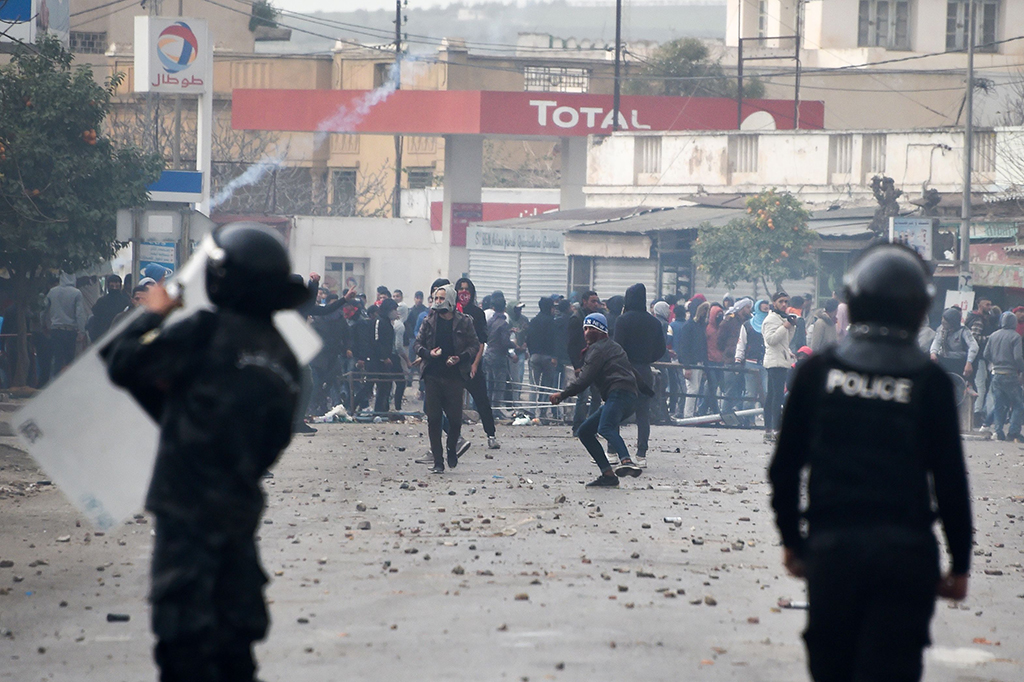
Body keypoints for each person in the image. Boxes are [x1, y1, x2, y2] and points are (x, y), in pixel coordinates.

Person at [101, 222, 310, 682]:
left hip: (185, 508)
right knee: (235, 647)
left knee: (184, 646)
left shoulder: (203, 331)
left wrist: (154, 312)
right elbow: (274, 440)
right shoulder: (285, 358)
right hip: (238, 511)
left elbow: (121, 361)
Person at [768, 243, 972, 682]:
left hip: (833, 550)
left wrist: (792, 541)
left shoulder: (818, 372)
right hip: (906, 556)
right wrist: (959, 565)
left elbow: (785, 467)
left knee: (833, 668)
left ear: (854, 300)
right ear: (919, 309)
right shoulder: (930, 381)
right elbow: (951, 480)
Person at [549, 313, 645, 487]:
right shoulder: (615, 347)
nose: (586, 332)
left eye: (591, 329)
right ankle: (608, 475)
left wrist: (562, 395)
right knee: (585, 431)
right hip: (626, 395)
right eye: (585, 328)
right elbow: (632, 371)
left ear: (601, 331)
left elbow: (584, 381)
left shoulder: (597, 350)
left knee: (605, 427)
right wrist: (646, 391)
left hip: (618, 393)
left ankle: (626, 461)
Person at [413, 284, 480, 473]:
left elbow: (474, 345)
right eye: (436, 298)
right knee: (434, 419)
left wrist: (461, 358)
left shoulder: (464, 322)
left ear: (450, 300)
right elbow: (417, 344)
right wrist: (428, 353)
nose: (438, 302)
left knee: (455, 420)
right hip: (433, 376)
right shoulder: (428, 321)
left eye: (442, 298)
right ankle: (438, 461)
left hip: (455, 377)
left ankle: (452, 449)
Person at [612, 283, 666, 468]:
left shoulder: (622, 320)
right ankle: (641, 454)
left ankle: (613, 451)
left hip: (624, 370)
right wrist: (647, 359)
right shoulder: (654, 322)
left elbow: (617, 347)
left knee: (616, 410)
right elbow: (661, 349)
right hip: (644, 370)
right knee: (643, 413)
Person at [455, 277, 501, 449]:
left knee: (482, 401)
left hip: (472, 363)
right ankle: (456, 436)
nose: (463, 292)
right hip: (455, 364)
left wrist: (475, 364)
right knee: (454, 403)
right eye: (461, 289)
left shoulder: (477, 313)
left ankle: (491, 435)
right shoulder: (452, 311)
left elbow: (482, 341)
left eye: (467, 289)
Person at [983, 311, 1024, 442]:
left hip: (996, 374)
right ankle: (1013, 432)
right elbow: (1018, 357)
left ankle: (998, 431)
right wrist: (1021, 368)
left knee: (999, 405)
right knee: (1018, 404)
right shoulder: (1016, 337)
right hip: (1010, 374)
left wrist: (996, 362)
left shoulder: (993, 335)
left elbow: (986, 354)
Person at [568, 290, 604, 436]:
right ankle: (578, 427)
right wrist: (576, 366)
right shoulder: (577, 319)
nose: (596, 304)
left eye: (597, 301)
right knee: (583, 396)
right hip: (583, 363)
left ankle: (591, 427)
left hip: (596, 362)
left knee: (596, 396)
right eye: (592, 301)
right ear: (584, 301)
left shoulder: (598, 319)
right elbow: (571, 345)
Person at [762, 291, 796, 442]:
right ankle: (775, 430)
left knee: (772, 396)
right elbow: (771, 340)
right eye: (781, 301)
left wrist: (791, 326)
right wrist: (785, 326)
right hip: (775, 362)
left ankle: (769, 430)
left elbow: (786, 340)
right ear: (774, 302)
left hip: (781, 360)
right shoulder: (771, 319)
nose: (784, 304)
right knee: (776, 397)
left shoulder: (781, 318)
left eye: (786, 302)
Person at [42, 272, 88, 379]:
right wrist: (82, 331)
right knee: (70, 360)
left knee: (57, 359)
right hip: (70, 331)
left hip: (55, 330)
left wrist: (43, 325)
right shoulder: (76, 293)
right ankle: (69, 382)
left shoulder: (52, 292)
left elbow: (43, 310)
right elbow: (80, 314)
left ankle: (55, 382)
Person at [482, 291, 515, 412]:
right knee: (499, 385)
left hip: (488, 355)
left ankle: (487, 410)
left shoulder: (490, 322)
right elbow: (505, 342)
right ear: (504, 308)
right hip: (499, 356)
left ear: (493, 308)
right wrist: (515, 345)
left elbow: (486, 336)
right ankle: (496, 410)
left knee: (489, 384)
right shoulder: (503, 323)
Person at [527, 296, 559, 420]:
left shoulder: (533, 321)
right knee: (546, 387)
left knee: (533, 386)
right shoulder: (552, 322)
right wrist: (555, 356)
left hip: (534, 357)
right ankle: (543, 412)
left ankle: (531, 412)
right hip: (548, 358)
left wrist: (531, 352)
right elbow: (555, 341)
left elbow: (528, 338)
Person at [676, 301, 709, 418]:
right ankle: (688, 414)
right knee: (692, 390)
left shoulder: (699, 326)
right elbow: (684, 348)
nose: (705, 312)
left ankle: (690, 413)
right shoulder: (689, 326)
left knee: (695, 389)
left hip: (698, 362)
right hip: (692, 363)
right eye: (703, 309)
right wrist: (687, 366)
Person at [930, 307, 978, 378]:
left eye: (946, 322)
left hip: (958, 362)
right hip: (943, 359)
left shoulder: (963, 331)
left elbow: (974, 346)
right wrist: (933, 353)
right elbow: (937, 341)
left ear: (952, 322)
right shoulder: (941, 329)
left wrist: (969, 362)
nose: (943, 324)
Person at [87, 274, 130, 342]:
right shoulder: (102, 301)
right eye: (112, 286)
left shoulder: (126, 301)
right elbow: (97, 320)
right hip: (107, 335)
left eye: (116, 286)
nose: (114, 288)